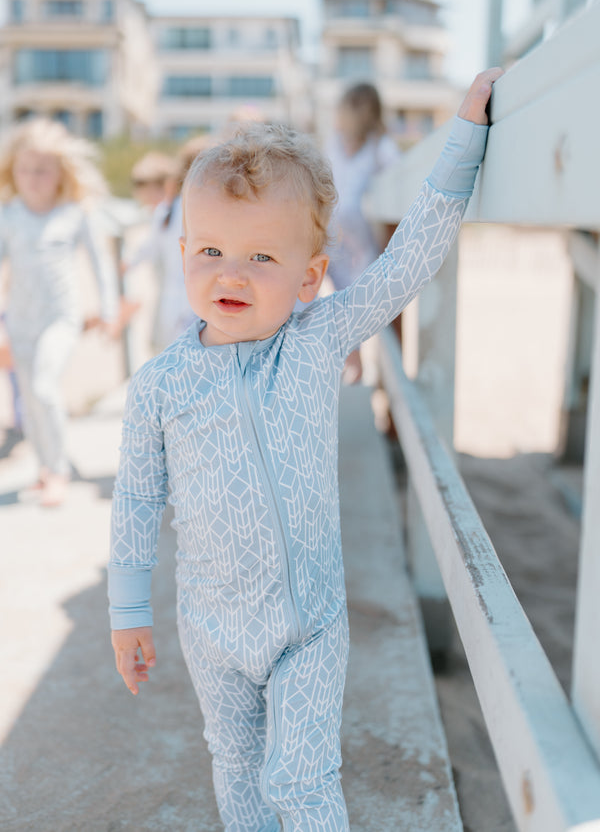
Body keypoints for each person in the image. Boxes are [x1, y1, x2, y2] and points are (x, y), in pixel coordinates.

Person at [108, 68, 503, 831]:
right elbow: (136, 500)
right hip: (211, 627)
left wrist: (463, 137)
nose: (231, 272)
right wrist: (129, 611)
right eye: (212, 250)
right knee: (236, 763)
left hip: (310, 623)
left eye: (262, 259)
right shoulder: (159, 385)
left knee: (301, 778)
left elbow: (407, 264)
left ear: (310, 276)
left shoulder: (318, 342)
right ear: (183, 249)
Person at [0, 118, 118, 506]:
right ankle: (44, 468)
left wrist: (109, 309)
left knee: (45, 387)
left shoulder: (75, 212)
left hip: (61, 318)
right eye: (25, 169)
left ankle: (59, 472)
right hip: (20, 322)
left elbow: (101, 263)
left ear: (59, 173)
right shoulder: (9, 216)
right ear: (13, 171)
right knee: (31, 402)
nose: (33, 177)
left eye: (42, 170)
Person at [326, 83, 400, 382]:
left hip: (358, 240)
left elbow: (400, 173)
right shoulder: (335, 142)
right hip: (333, 236)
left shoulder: (378, 146)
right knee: (338, 301)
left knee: (355, 303)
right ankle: (352, 363)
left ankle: (358, 367)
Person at [125, 136, 213, 353]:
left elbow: (149, 246)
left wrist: (128, 263)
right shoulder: (207, 207)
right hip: (201, 298)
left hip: (172, 301)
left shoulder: (167, 209)